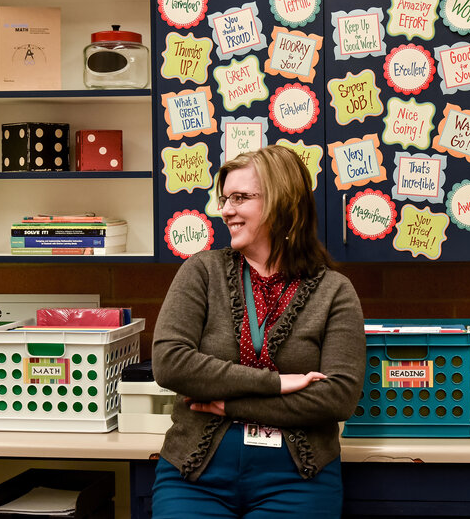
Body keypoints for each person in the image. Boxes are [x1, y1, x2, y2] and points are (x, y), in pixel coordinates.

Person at [150, 144, 367, 519]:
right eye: (224, 199)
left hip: (299, 480)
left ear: (283, 202)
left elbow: (338, 397)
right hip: (194, 476)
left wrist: (230, 405)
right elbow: (170, 364)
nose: (226, 210)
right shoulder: (202, 272)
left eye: (240, 198)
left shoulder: (334, 290)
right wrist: (277, 383)